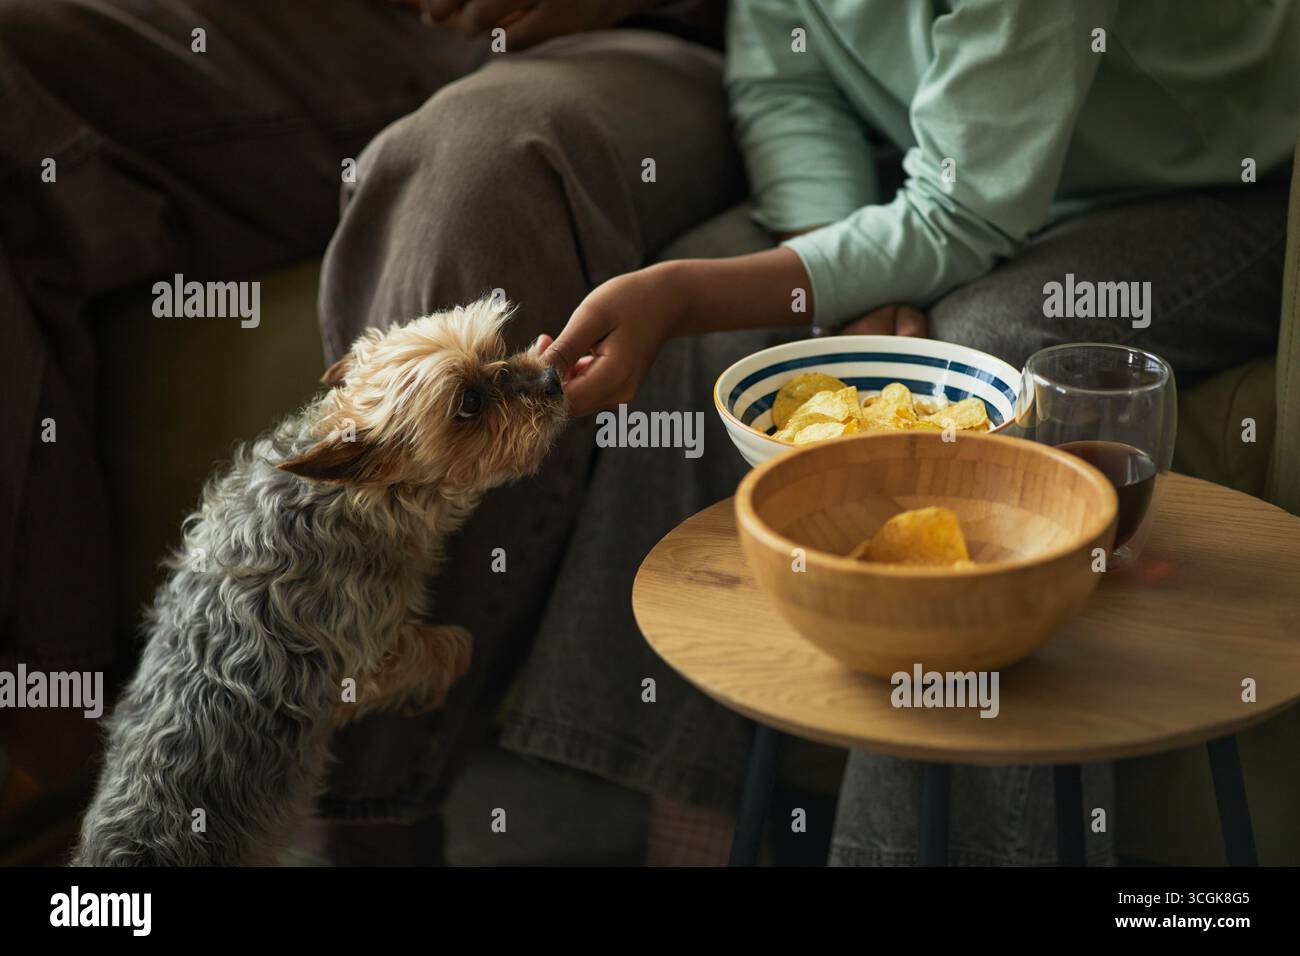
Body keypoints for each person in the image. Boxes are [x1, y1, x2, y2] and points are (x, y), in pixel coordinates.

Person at [533, 0, 1298, 864]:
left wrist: (689, 291)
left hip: (1204, 191)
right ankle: (689, 826)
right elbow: (790, 81)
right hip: (958, 178)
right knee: (715, 352)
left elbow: (963, 215)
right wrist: (834, 259)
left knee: (988, 369)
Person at [0, 0, 721, 860]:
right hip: (325, 28)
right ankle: (51, 721)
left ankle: (363, 824)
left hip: (618, 31)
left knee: (473, 168)